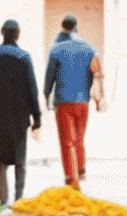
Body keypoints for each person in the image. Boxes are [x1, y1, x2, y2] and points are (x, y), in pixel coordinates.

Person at [0, 20, 43, 204]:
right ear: (17, 34)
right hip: (18, 119)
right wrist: (36, 118)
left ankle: (3, 202)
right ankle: (18, 200)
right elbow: (32, 90)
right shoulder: (24, 59)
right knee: (20, 159)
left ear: (2, 32)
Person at [42, 14, 102, 188]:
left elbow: (49, 76)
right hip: (83, 101)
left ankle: (71, 177)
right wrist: (96, 97)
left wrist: (46, 95)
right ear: (76, 26)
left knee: (67, 142)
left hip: (63, 101)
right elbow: (96, 74)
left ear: (62, 26)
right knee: (79, 138)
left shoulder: (56, 49)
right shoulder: (90, 49)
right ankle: (81, 169)